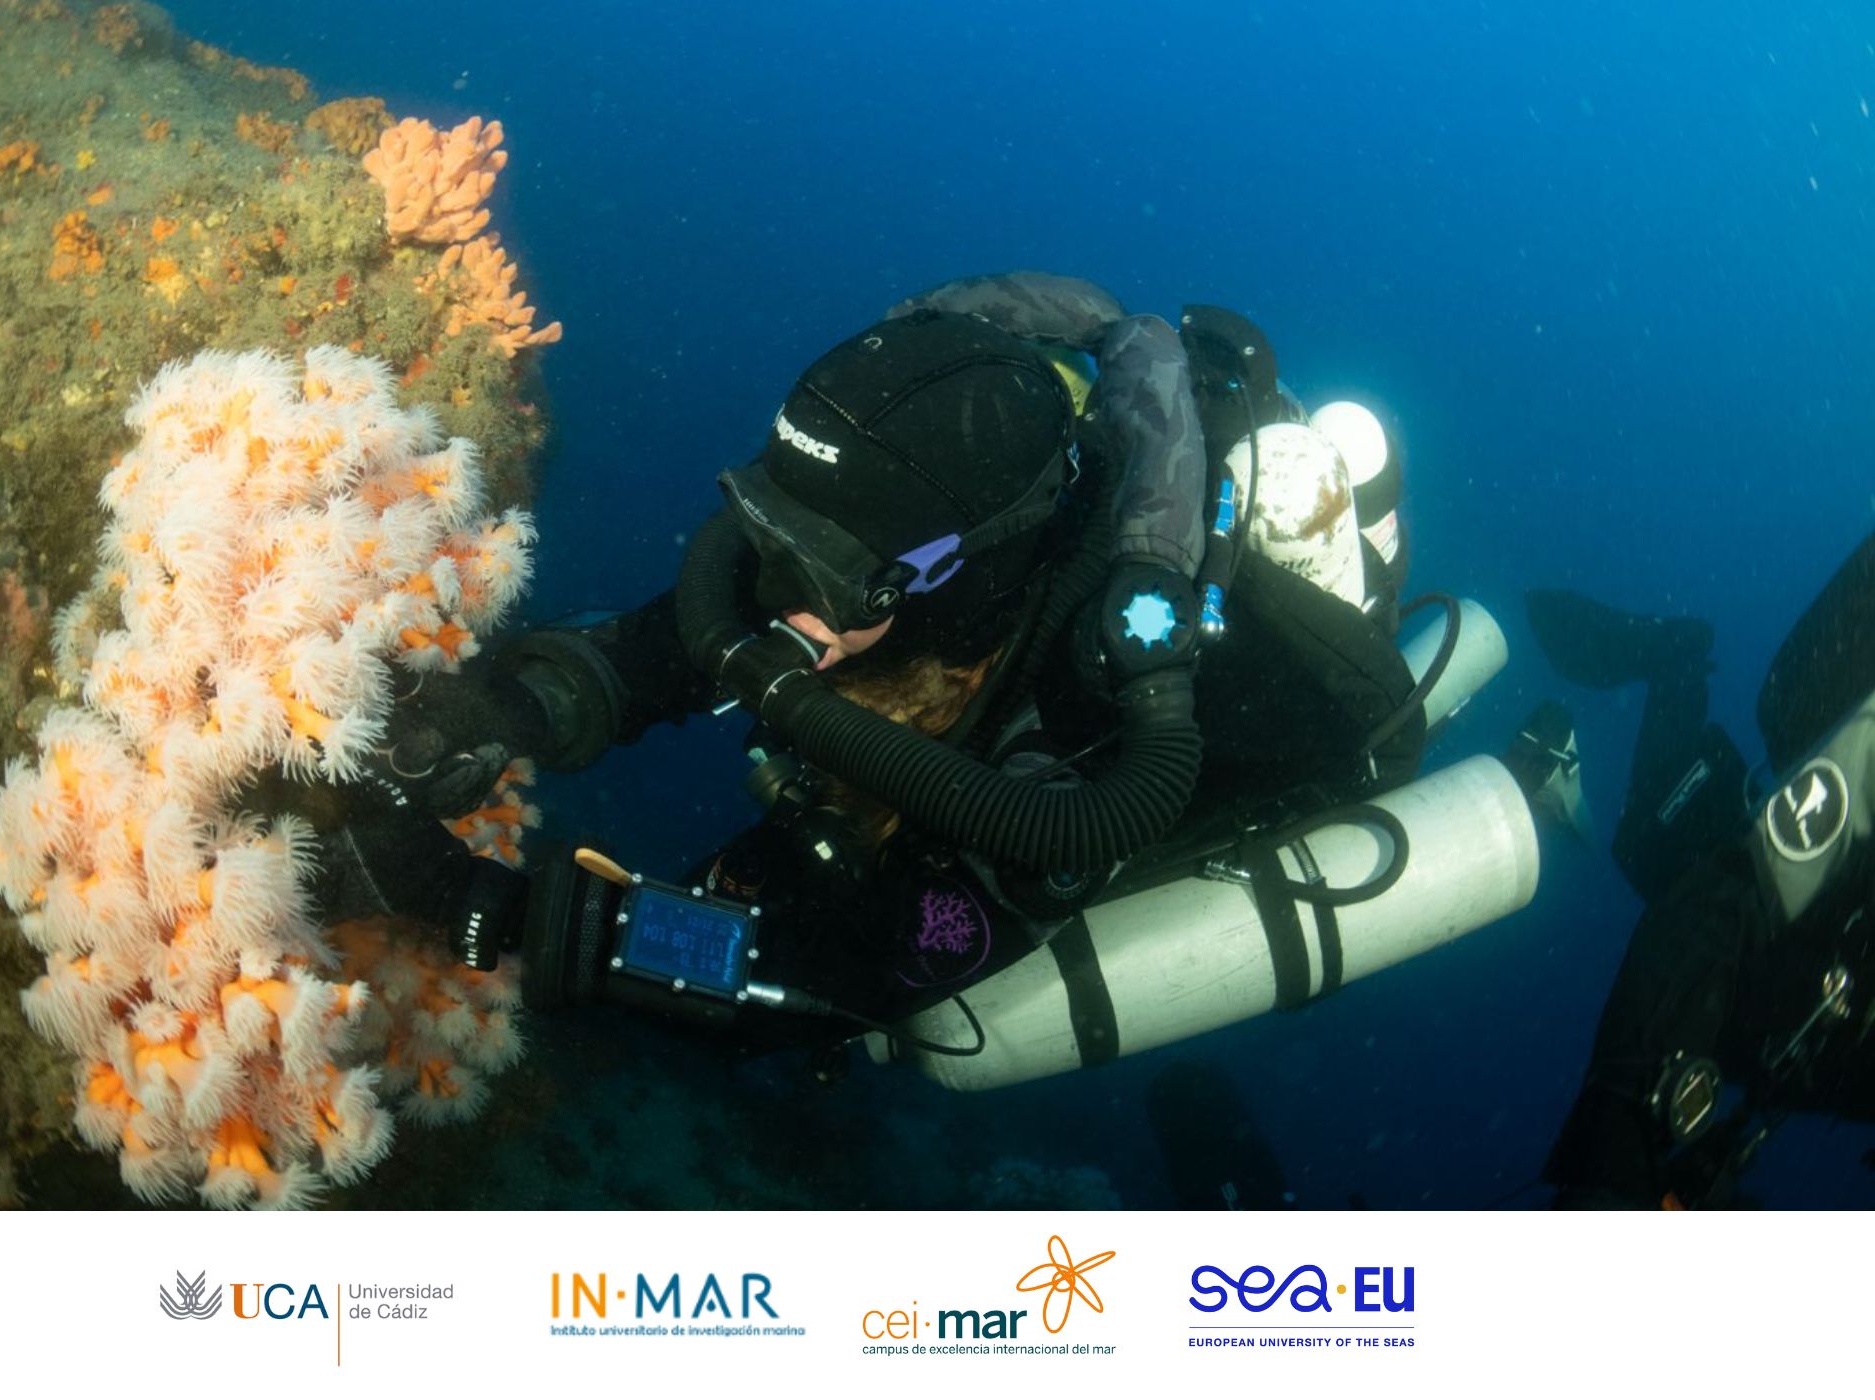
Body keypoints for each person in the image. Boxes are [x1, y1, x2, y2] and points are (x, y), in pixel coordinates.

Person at [317, 271, 1465, 1067]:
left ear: (953, 579)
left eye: (831, 575)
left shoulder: (1076, 719)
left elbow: (837, 975)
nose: (781, 601)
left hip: (1066, 811)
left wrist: (483, 908)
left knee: (851, 966)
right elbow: (678, 641)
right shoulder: (870, 563)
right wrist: (498, 706)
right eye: (773, 545)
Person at [1532, 529, 1875, 1207]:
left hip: (1791, 1024)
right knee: (1667, 856)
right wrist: (1619, 1137)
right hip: (1781, 929)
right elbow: (1734, 892)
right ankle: (1673, 660)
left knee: (1675, 859)